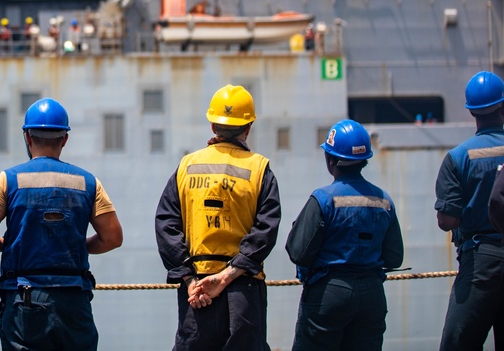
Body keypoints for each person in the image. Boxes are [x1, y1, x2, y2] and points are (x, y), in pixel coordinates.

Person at [0, 97, 123, 351]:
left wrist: (8, 245)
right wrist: (80, 245)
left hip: (25, 301)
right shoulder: (88, 182)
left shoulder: (7, 180)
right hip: (73, 301)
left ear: (27, 137)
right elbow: (112, 238)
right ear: (64, 139)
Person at [154, 83, 281, 351]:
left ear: (213, 126)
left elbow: (166, 223)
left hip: (197, 292)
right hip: (243, 289)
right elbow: (266, 229)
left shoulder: (187, 166)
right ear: (248, 127)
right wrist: (227, 276)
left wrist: (189, 280)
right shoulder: (259, 169)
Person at [285, 120, 404, 351]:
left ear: (331, 160)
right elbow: (394, 258)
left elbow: (298, 252)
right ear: (364, 161)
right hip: (372, 296)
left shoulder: (323, 199)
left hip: (329, 295)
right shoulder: (384, 201)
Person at [435, 70, 504, 350]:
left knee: (458, 342)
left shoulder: (457, 158)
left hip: (481, 262)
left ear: (472, 112)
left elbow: (447, 220)